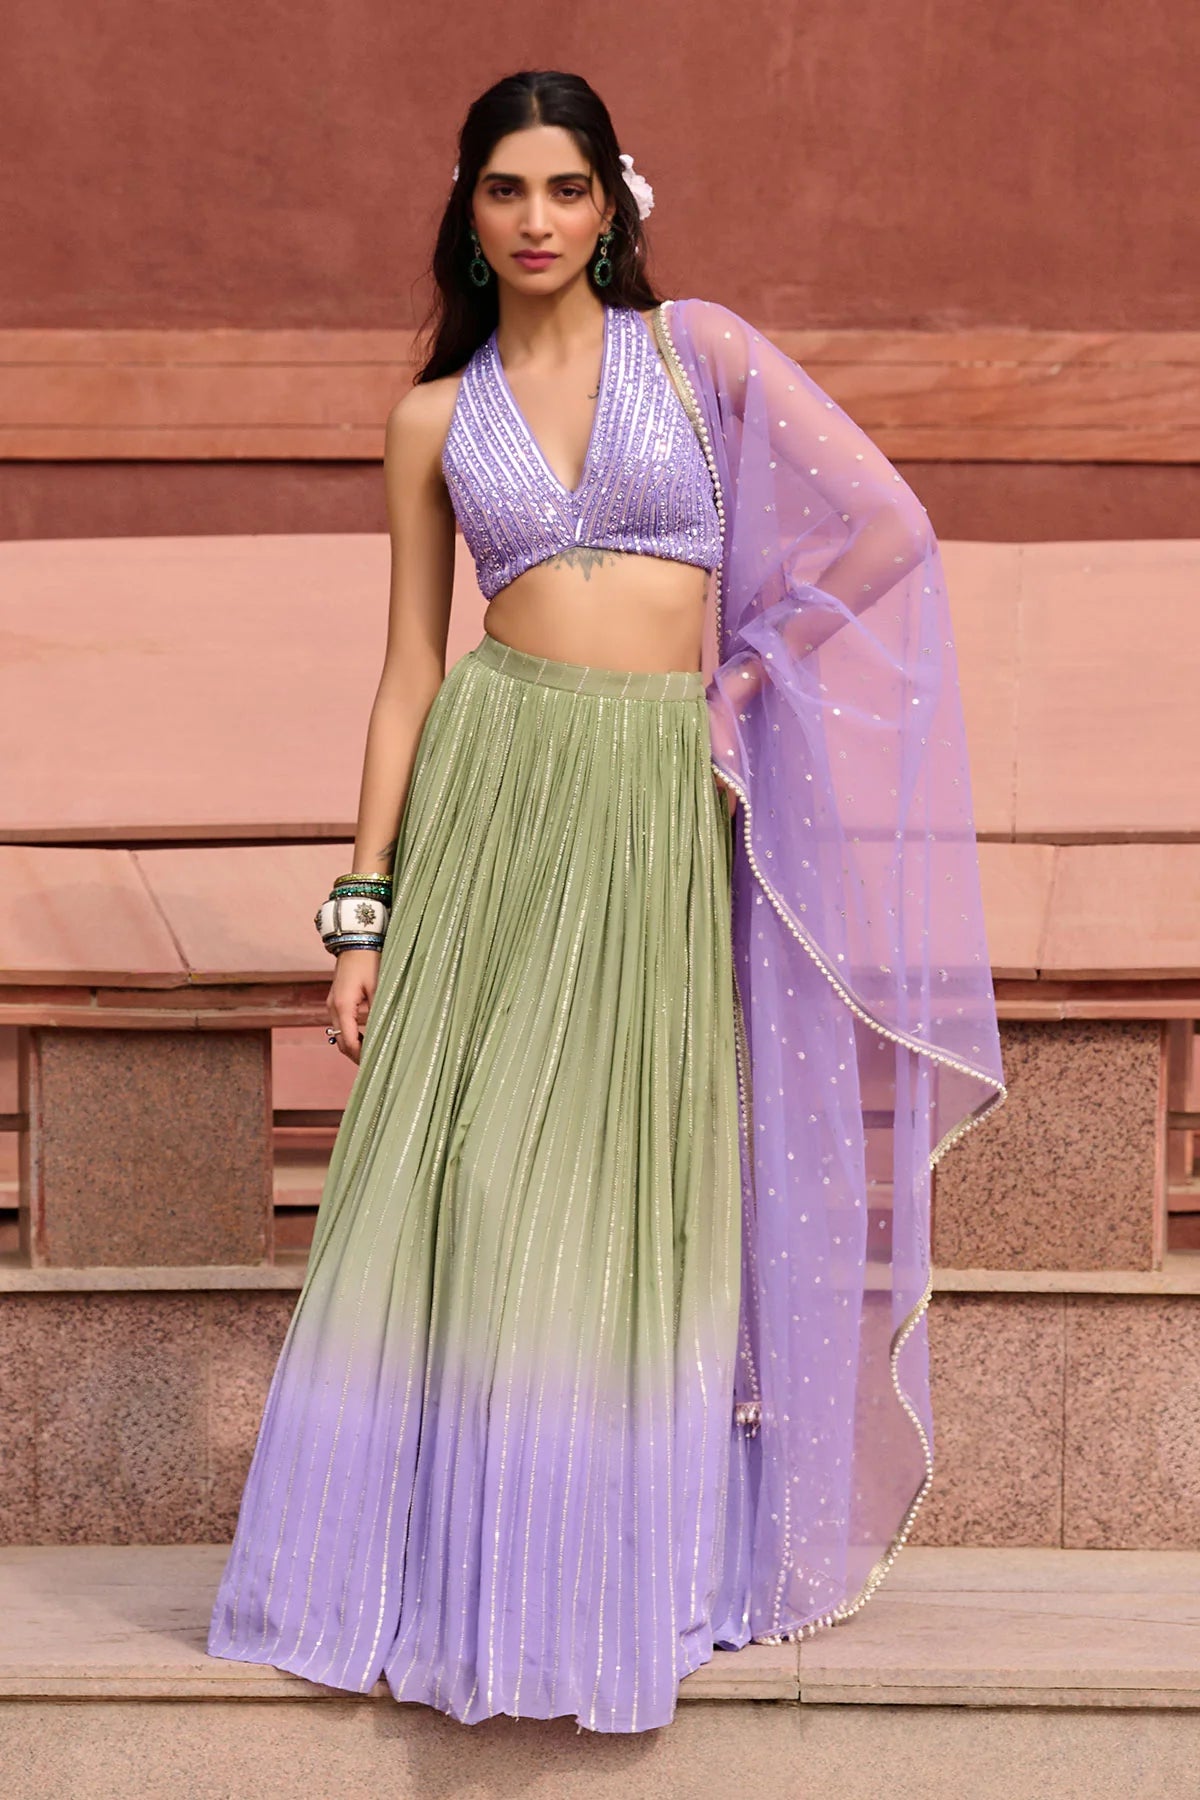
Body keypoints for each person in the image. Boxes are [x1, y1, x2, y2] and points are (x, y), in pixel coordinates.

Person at [207, 69, 1006, 1735]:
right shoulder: (433, 418)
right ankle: (438, 1576)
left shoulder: (696, 352)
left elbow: (886, 528)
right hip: (494, 793)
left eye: (566, 188)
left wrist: (745, 684)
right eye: (507, 189)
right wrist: (362, 906)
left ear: (611, 203)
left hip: (654, 797)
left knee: (628, 1183)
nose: (538, 219)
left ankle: (599, 1582)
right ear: (467, 209)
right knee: (472, 1175)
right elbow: (409, 671)